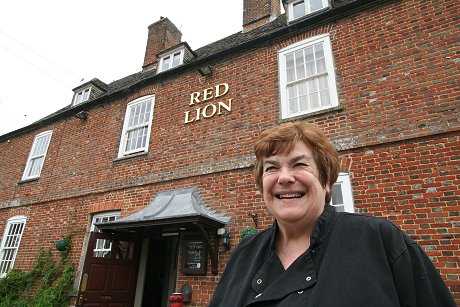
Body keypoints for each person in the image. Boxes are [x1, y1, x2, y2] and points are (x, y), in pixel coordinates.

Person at [209, 122, 456, 306]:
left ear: (326, 181)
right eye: (272, 168)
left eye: (299, 164)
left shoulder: (380, 240)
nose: (284, 177)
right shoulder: (244, 253)